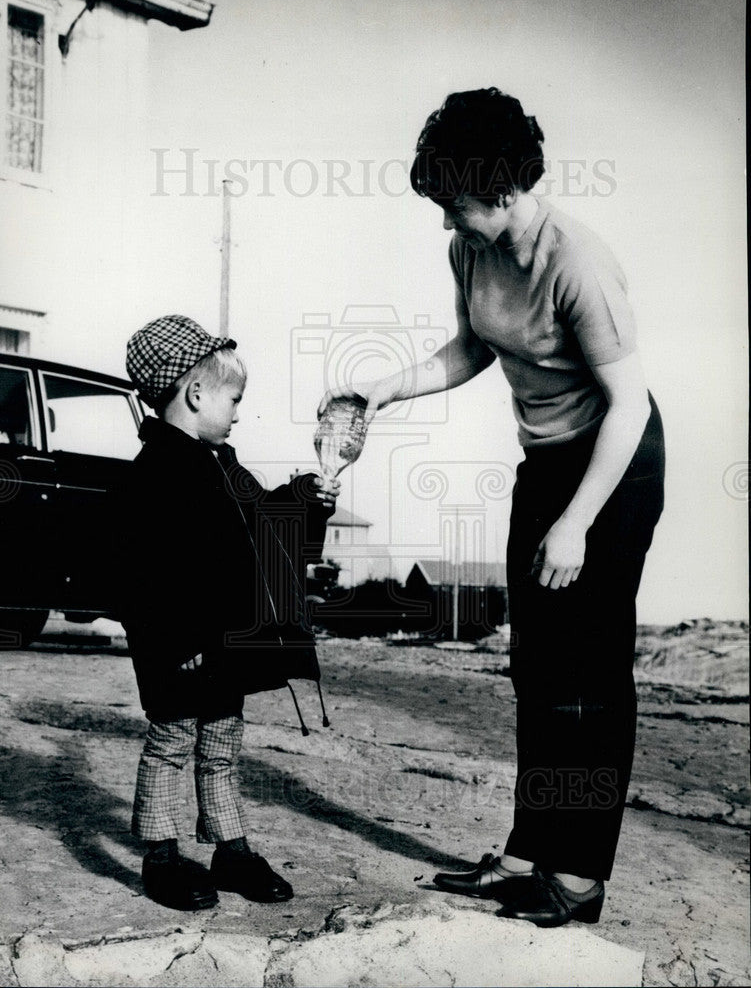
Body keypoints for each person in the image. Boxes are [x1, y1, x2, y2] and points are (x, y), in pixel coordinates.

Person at [319, 89, 665, 927]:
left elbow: (626, 405)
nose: (447, 223)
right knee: (536, 669)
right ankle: (526, 854)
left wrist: (577, 523)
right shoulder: (471, 253)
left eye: (456, 205)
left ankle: (576, 876)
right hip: (546, 464)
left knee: (587, 679)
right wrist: (383, 389)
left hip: (612, 469)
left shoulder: (576, 260)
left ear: (505, 189)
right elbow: (474, 346)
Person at [118, 314, 339, 911]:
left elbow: (264, 520)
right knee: (170, 740)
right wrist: (176, 638)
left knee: (221, 742)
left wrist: (305, 498)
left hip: (225, 641)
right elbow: (144, 577)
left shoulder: (223, 465)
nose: (239, 413)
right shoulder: (155, 475)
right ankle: (160, 855)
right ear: (196, 393)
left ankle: (230, 849)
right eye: (234, 399)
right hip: (180, 644)